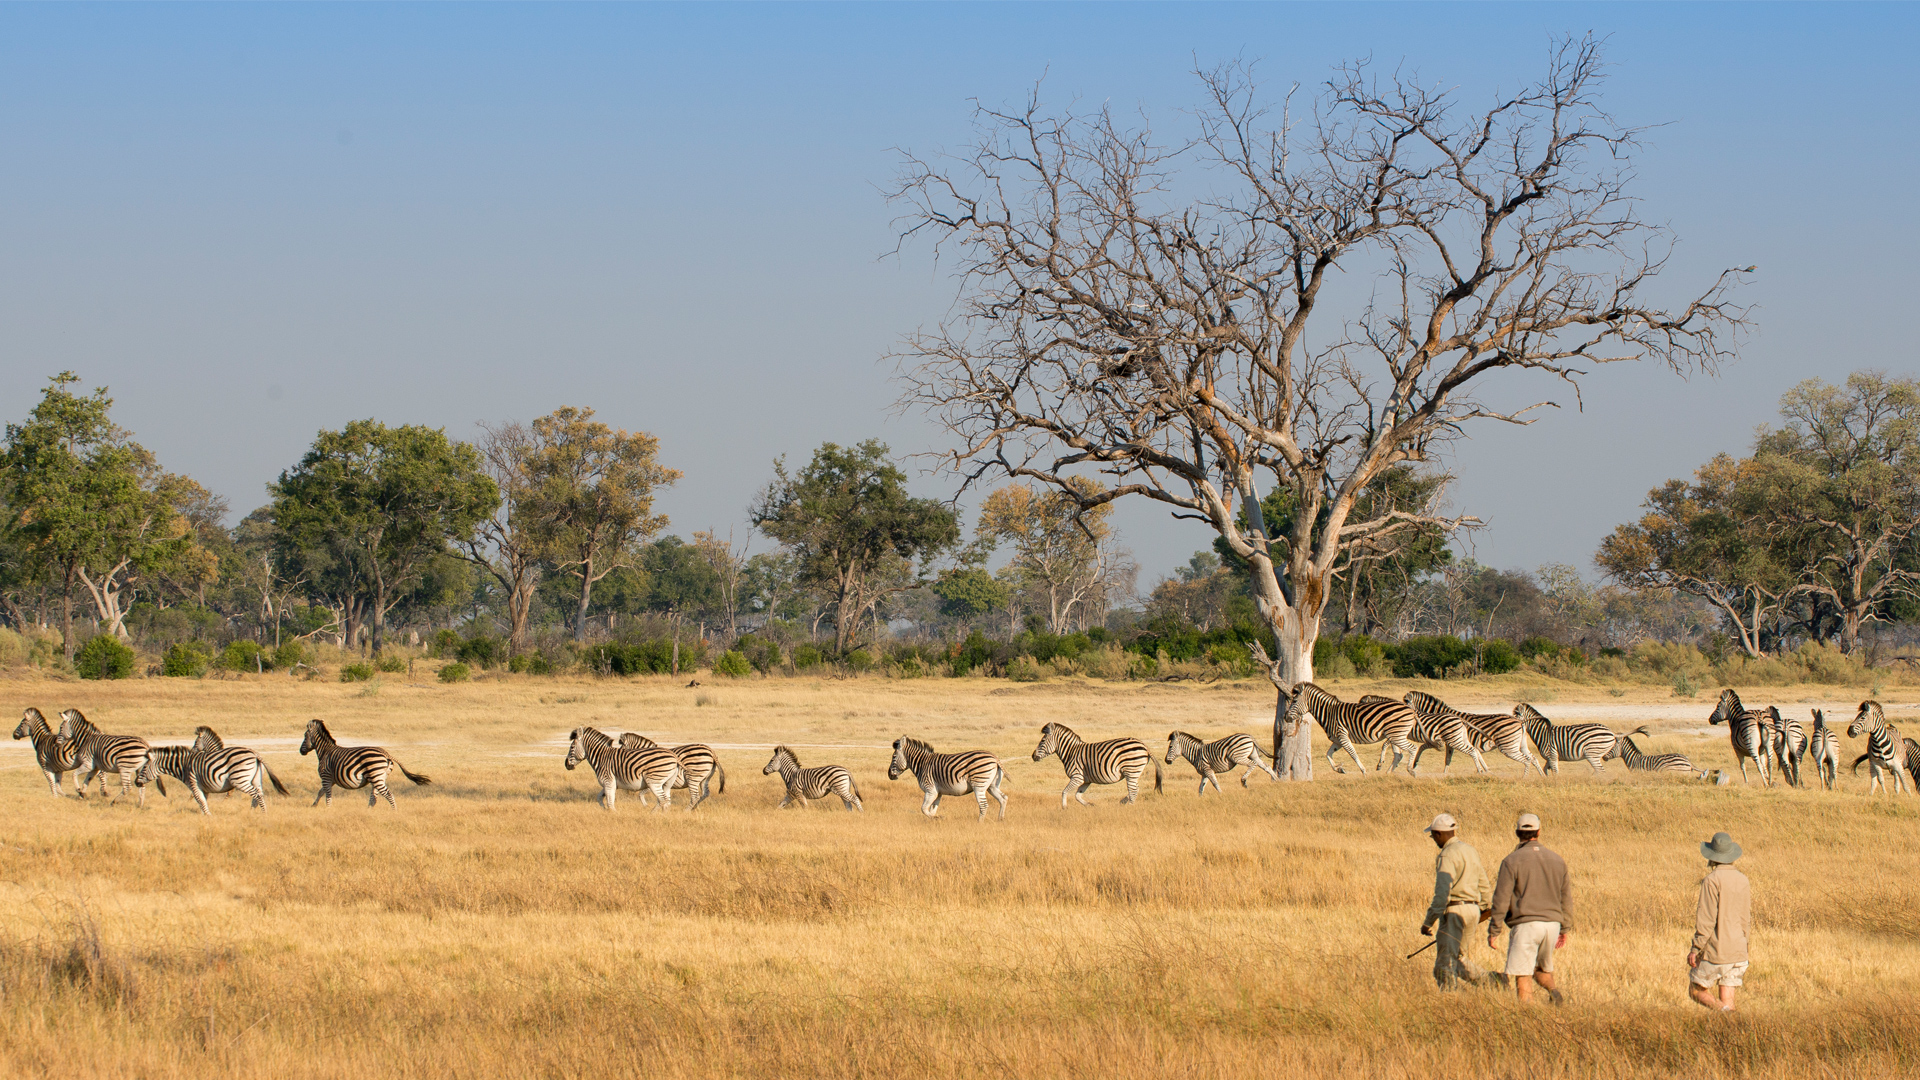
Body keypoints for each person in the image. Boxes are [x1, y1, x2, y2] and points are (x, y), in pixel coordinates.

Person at [1487, 812, 1573, 1005]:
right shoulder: (1558, 860)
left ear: (1517, 833)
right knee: (1540, 969)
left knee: (1522, 974)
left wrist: (1494, 930)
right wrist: (1565, 928)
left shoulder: (1511, 861)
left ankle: (1527, 1017)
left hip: (1526, 925)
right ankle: (1553, 991)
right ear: (1539, 832)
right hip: (1552, 925)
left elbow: (1501, 899)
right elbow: (1566, 898)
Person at [1417, 813, 1500, 990]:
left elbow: (1442, 894)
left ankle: (1450, 1000)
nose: (1433, 840)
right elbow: (1484, 883)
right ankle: (1494, 983)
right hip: (1473, 911)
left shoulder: (1447, 855)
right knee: (1458, 958)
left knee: (1444, 965)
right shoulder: (1470, 851)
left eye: (1433, 836)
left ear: (1439, 833)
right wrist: (1485, 908)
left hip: (1454, 911)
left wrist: (1428, 922)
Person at [1688, 831, 1752, 1012]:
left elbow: (1706, 919)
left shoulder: (1711, 880)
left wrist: (1695, 948)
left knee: (1695, 990)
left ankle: (1726, 1013)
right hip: (1739, 950)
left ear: (1712, 856)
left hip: (1717, 950)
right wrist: (1744, 945)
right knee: (1727, 997)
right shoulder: (1743, 879)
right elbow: (1745, 919)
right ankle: (1729, 1028)